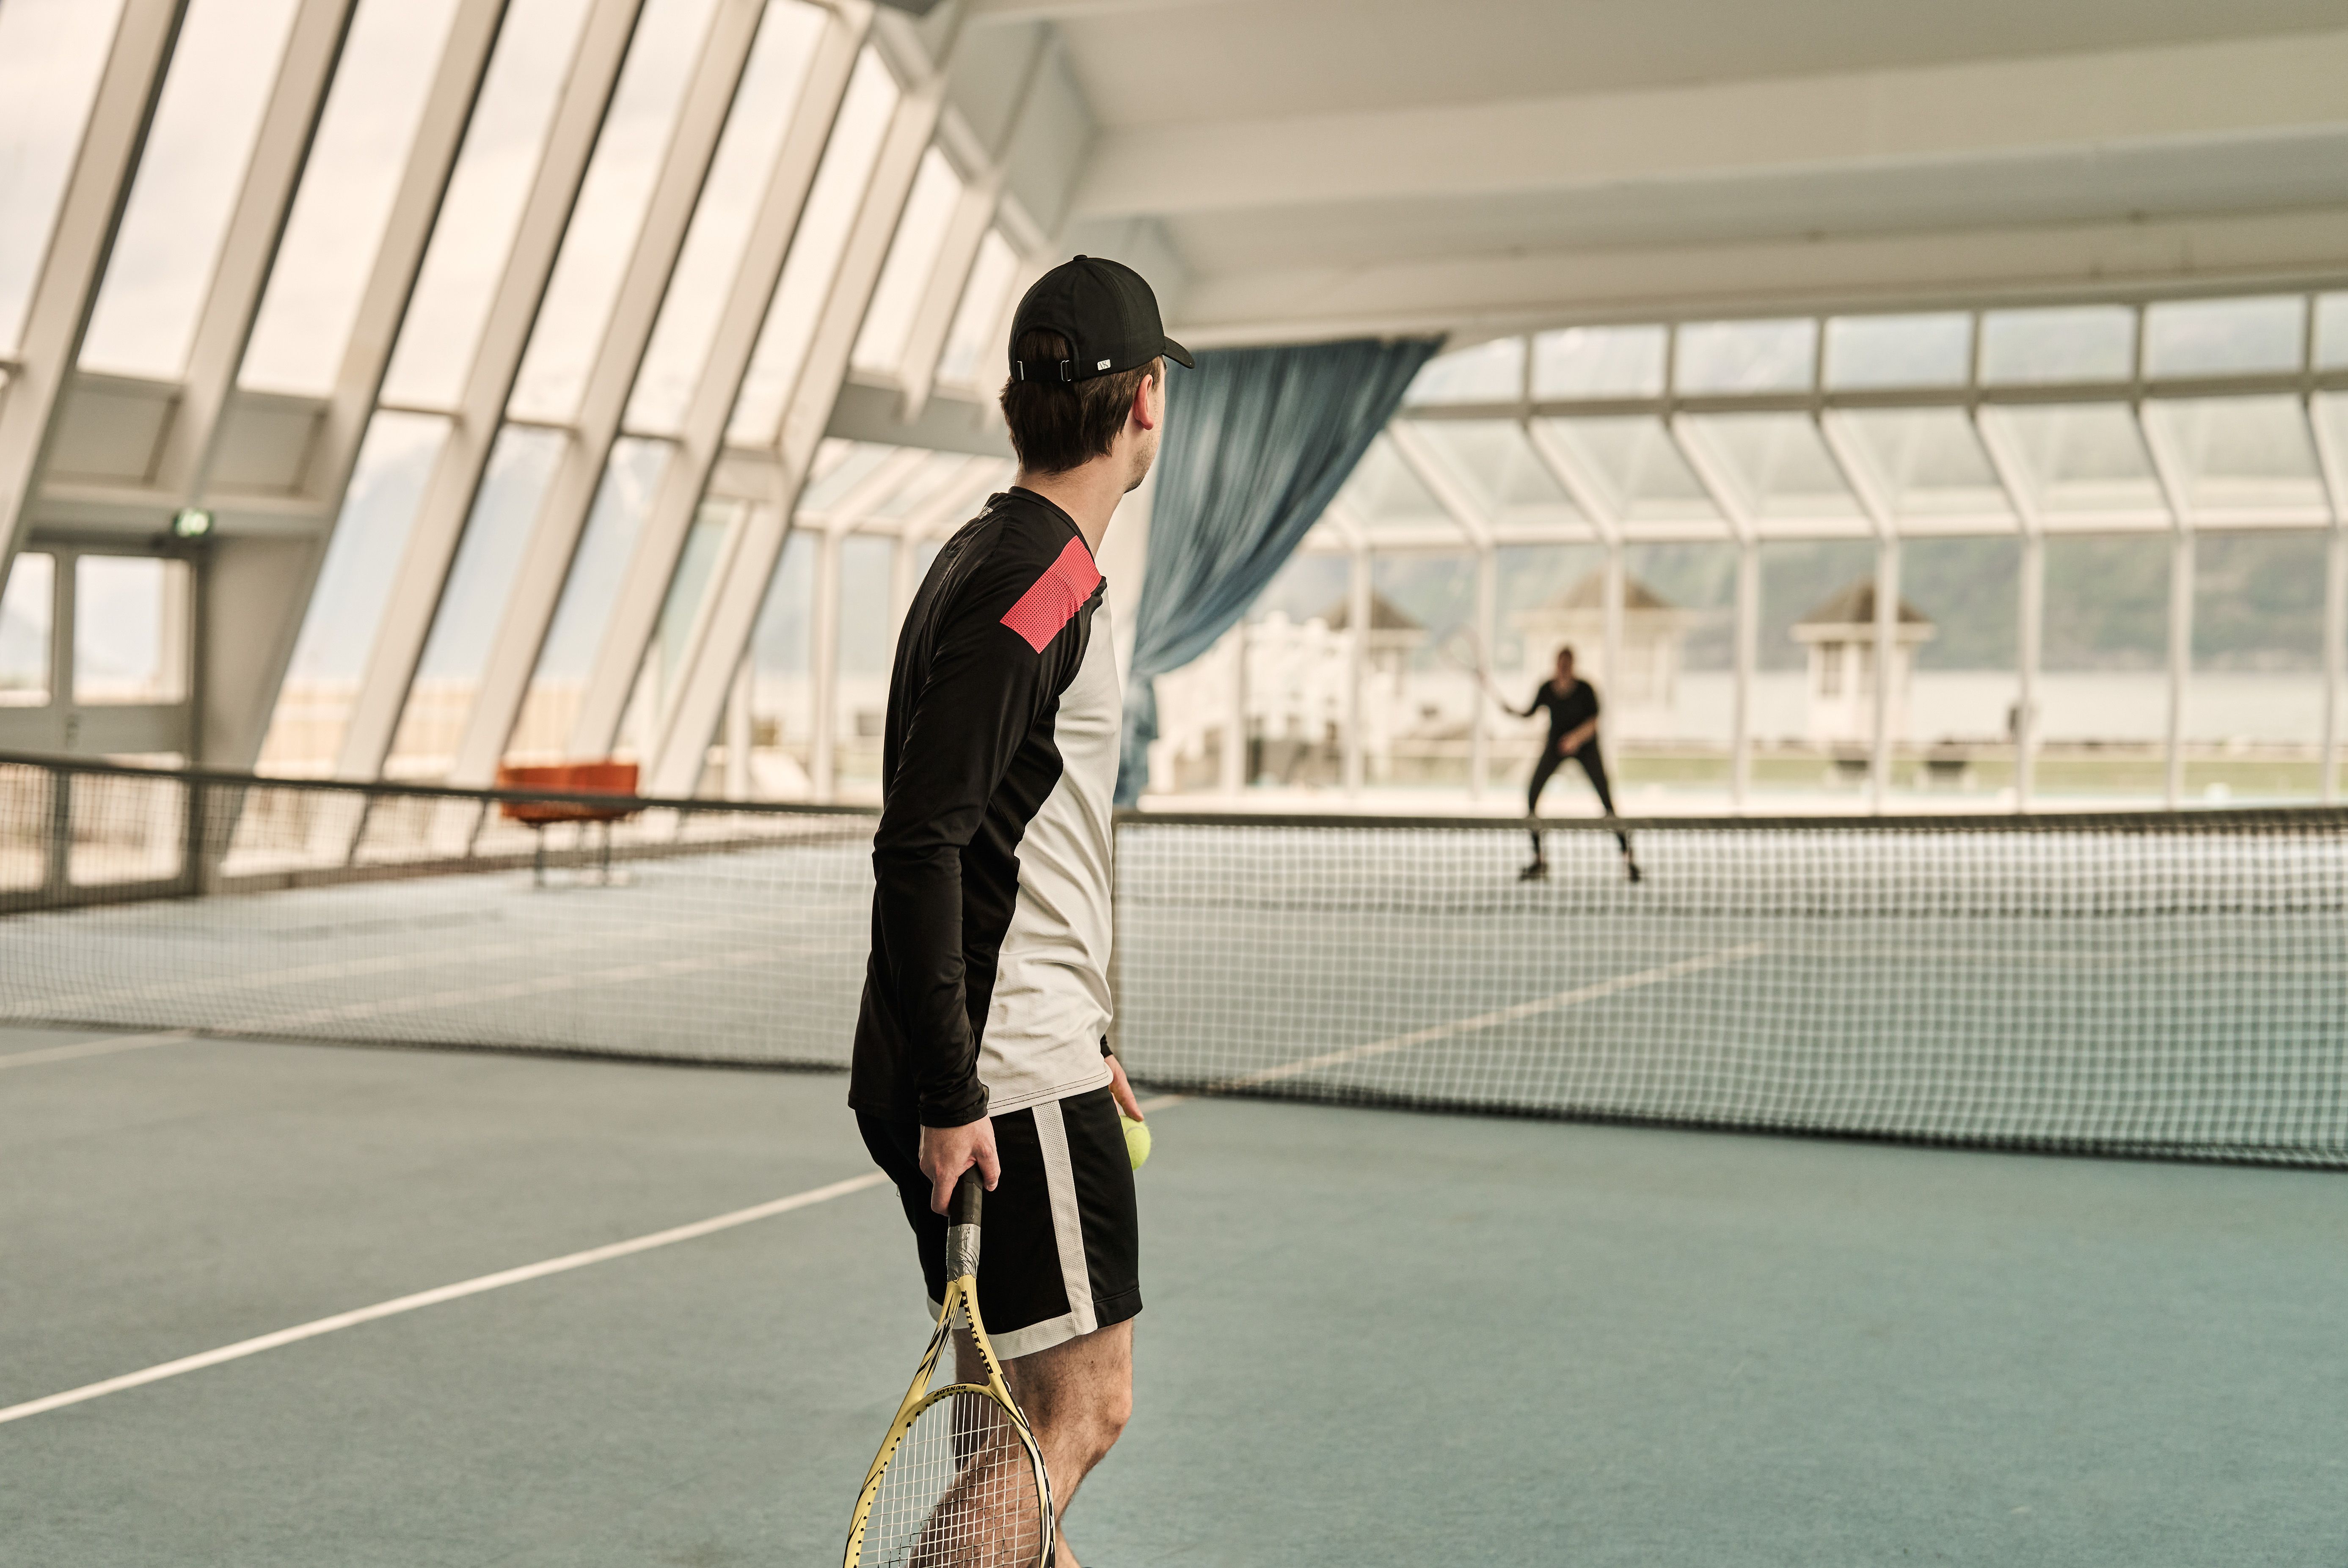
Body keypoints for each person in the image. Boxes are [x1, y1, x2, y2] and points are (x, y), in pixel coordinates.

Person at [851, 256, 1189, 1568]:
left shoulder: (984, 557)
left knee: (1014, 1434)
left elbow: (997, 837)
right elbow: (921, 842)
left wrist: (1081, 1031)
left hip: (1006, 1055)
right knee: (1077, 1410)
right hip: (997, 1076)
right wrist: (956, 1088)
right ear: (1144, 398)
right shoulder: (1034, 584)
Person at [1516, 645, 1640, 883]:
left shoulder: (1586, 689)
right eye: (1560, 663)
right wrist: (1510, 710)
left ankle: (1628, 858)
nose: (1563, 667)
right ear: (1556, 664)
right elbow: (1528, 713)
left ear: (1573, 664)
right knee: (1531, 796)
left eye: (1568, 663)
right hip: (1555, 747)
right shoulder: (1547, 687)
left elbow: (1595, 721)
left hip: (1586, 748)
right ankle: (1539, 859)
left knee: (1607, 801)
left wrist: (1575, 738)